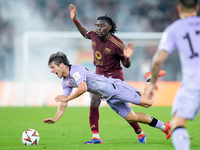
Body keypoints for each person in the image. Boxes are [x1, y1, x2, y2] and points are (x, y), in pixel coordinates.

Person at [43, 51, 171, 144]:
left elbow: (83, 88)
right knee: (132, 117)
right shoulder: (66, 81)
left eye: (53, 67)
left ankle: (150, 78)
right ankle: (164, 127)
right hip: (109, 98)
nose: (51, 71)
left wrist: (67, 98)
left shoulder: (76, 70)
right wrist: (55, 118)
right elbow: (63, 103)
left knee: (149, 102)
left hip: (115, 88)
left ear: (61, 65)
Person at [68, 4, 146, 144]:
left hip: (114, 78)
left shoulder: (117, 44)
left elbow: (126, 65)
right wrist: (75, 20)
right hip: (98, 76)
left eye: (102, 26)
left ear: (109, 27)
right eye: (97, 25)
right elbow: (84, 32)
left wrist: (127, 58)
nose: (98, 28)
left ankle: (139, 132)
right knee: (94, 100)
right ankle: (96, 136)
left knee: (124, 110)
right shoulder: (93, 36)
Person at [144, 0, 200, 150]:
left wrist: (152, 81)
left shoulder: (174, 29)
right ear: (197, 8)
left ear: (179, 9)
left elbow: (158, 60)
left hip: (193, 81)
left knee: (177, 123)